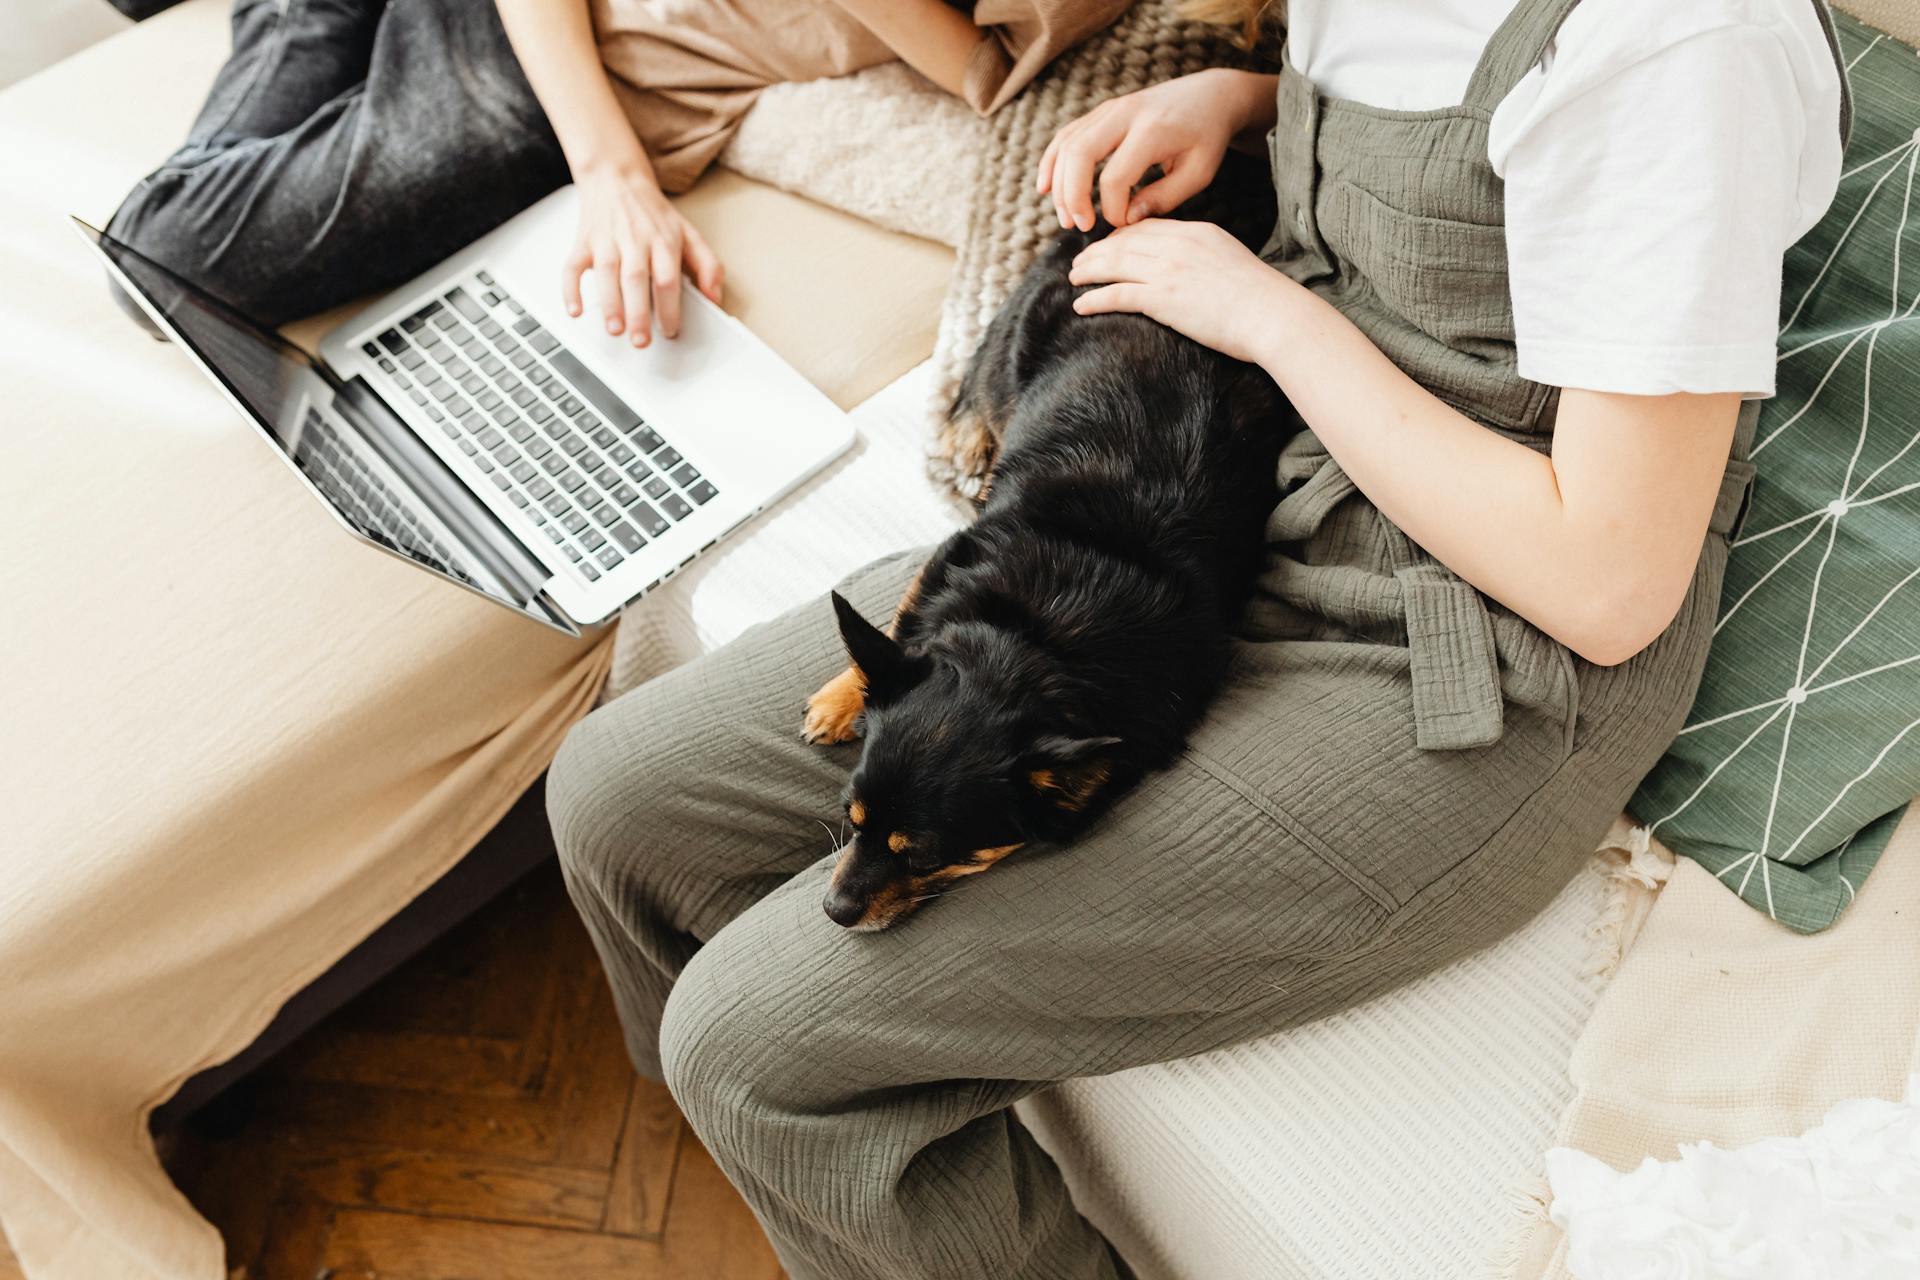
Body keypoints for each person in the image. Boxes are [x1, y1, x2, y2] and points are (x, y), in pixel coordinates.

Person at [546, 0, 1851, 1276]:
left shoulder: (1684, 42)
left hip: (1463, 656)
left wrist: (1270, 317)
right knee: (616, 801)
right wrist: (1245, 105)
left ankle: (827, 1150)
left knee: (754, 1049)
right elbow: (1479, 144)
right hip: (1237, 499)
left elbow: (1609, 582)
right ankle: (829, 1211)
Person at [105, 0, 1127, 334]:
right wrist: (612, 173)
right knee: (167, 258)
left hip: (582, 57)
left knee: (168, 267)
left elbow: (991, 82)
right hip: (550, 58)